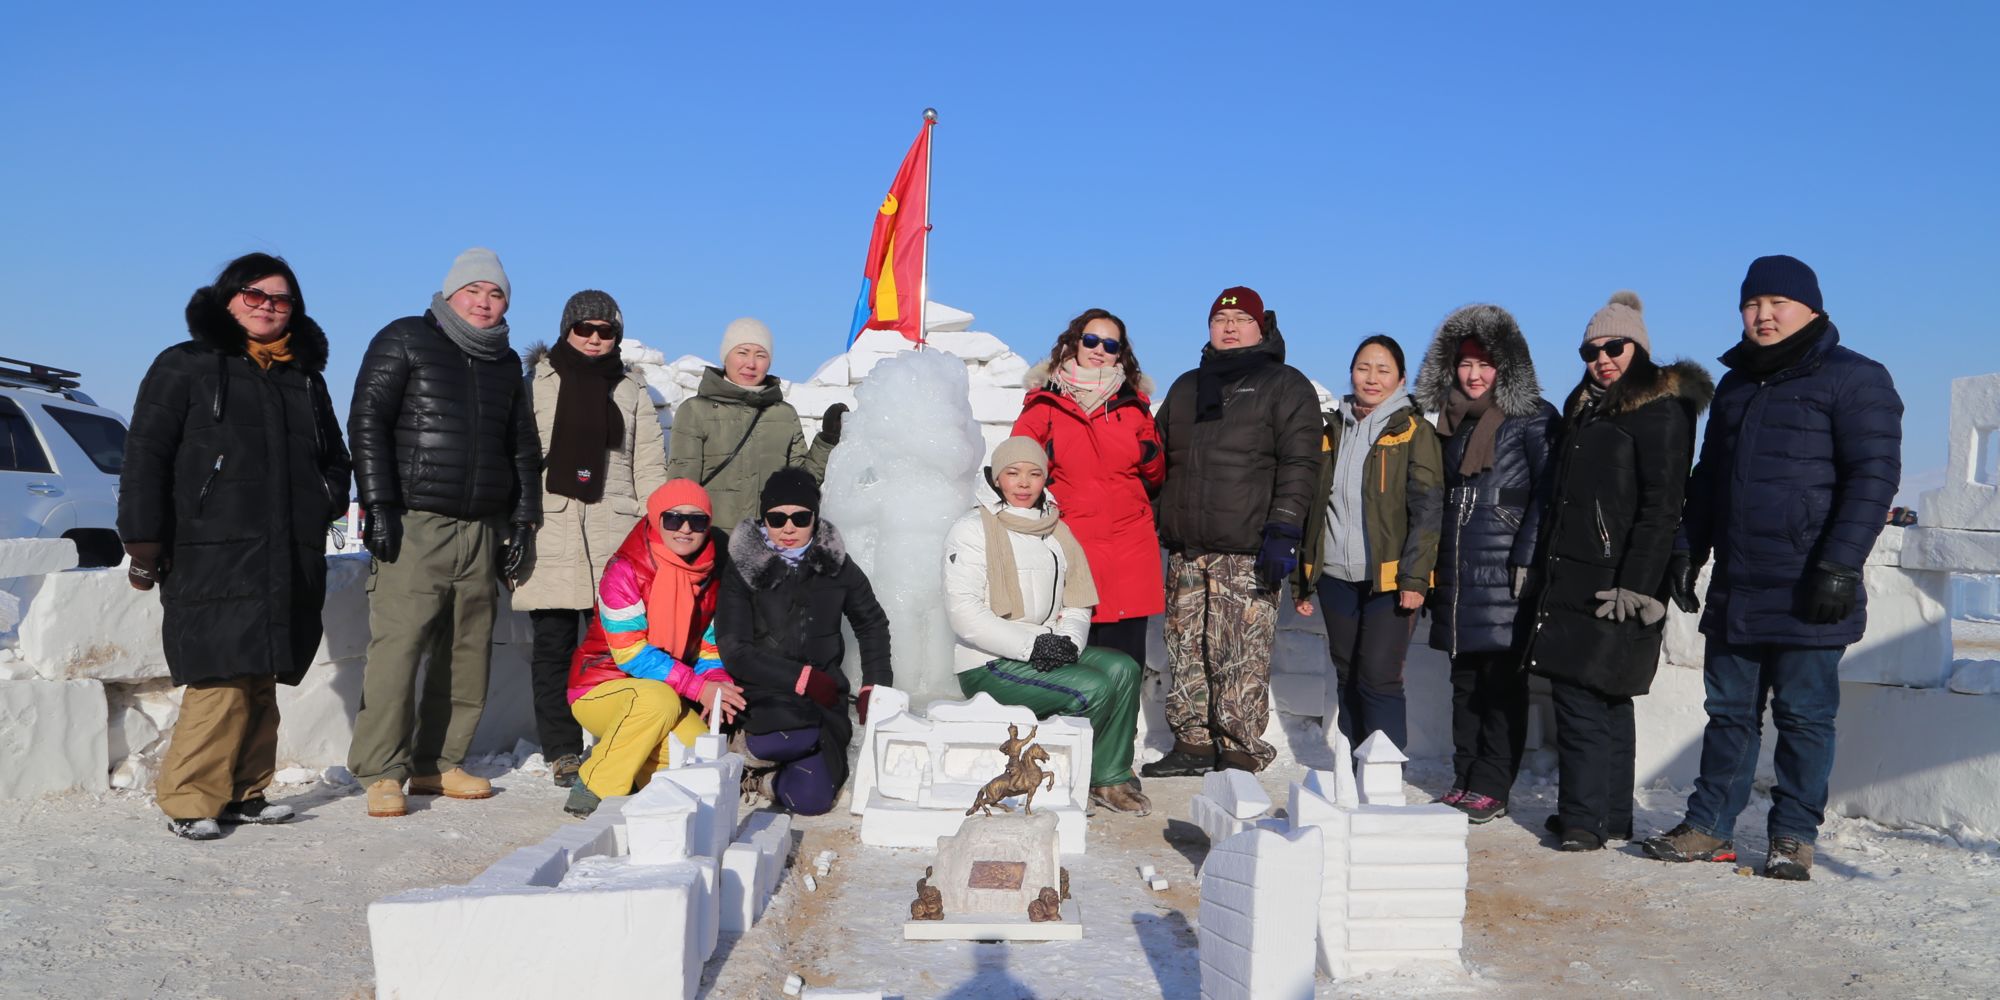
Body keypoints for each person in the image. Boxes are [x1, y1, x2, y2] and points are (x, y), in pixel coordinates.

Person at [1642, 256, 1902, 881]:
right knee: (1728, 713)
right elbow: (1710, 479)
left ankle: (1792, 836)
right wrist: (1687, 549)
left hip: (1812, 584)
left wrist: (1839, 566)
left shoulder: (1855, 378)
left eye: (1777, 303)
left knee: (1804, 717)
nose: (1762, 315)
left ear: (1811, 308)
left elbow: (1873, 478)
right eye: (1752, 304)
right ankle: (1709, 828)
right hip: (1739, 583)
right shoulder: (1736, 385)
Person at [118, 252, 350, 840]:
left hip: (286, 543)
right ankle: (190, 798)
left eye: (280, 299)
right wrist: (144, 541)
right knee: (219, 673)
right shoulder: (185, 365)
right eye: (255, 295)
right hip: (210, 543)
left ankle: (246, 791)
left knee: (261, 674)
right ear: (228, 298)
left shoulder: (303, 376)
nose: (268, 307)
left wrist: (325, 497)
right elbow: (146, 454)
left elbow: (334, 456)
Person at [345, 248, 542, 819]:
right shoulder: (405, 338)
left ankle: (438, 762)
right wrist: (378, 504)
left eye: (496, 293)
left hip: (481, 528)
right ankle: (382, 770)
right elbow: (368, 422)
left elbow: (521, 448)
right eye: (474, 290)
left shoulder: (504, 363)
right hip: (415, 522)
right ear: (450, 293)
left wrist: (523, 520)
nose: (484, 302)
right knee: (399, 649)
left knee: (466, 652)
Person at [1522, 293, 1712, 851]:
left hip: (1615, 577)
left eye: (1614, 346)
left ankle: (1582, 820)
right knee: (1605, 696)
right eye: (1591, 350)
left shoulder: (1659, 409)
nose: (1602, 357)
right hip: (1574, 568)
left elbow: (1662, 504)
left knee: (1582, 691)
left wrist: (1637, 581)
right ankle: (1611, 814)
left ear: (1639, 348)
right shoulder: (1588, 406)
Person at [1145, 287, 1322, 776]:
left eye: (1242, 318)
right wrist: (1160, 513)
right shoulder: (1186, 387)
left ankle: (1240, 747)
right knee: (1185, 647)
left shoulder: (1284, 385)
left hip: (1247, 546)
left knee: (1239, 653)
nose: (1229, 327)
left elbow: (1301, 461)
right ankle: (1194, 743)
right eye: (1220, 319)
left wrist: (1285, 528)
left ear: (1261, 328)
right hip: (1187, 546)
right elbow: (1160, 459)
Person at [511, 290, 670, 788]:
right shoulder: (536, 383)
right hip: (552, 528)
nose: (596, 339)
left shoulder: (630, 390)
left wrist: (655, 532)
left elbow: (649, 465)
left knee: (616, 647)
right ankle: (561, 749)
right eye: (585, 329)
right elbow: (516, 455)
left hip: (614, 532)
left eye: (606, 331)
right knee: (554, 646)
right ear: (566, 331)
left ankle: (619, 737)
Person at [943, 437, 1152, 814]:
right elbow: (964, 613)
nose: (1023, 483)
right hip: (990, 661)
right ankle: (1069, 779)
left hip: (1048, 645)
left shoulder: (1056, 530)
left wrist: (1070, 642)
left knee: (1123, 670)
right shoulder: (972, 529)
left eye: (1034, 474)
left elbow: (1077, 599)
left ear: (1044, 479)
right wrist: (1032, 647)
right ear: (996, 479)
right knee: (1094, 687)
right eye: (1013, 473)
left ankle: (1109, 778)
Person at [1413, 303, 1559, 824]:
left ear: (1509, 367)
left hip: (1505, 572)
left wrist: (1527, 557)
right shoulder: (1448, 422)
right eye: (1465, 364)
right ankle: (1465, 775)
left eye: (1486, 364)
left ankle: (1493, 784)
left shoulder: (1534, 417)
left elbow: (1548, 492)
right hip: (1458, 567)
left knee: (1501, 684)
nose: (1474, 376)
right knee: (1464, 681)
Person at [1292, 335, 1443, 753]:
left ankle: (1384, 778)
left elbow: (1428, 509)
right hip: (1335, 577)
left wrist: (1416, 577)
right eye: (1363, 368)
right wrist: (1302, 579)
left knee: (1378, 674)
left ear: (1400, 378)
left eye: (1383, 370)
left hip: (1390, 578)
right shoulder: (1332, 431)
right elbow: (1314, 508)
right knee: (1347, 672)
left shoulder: (1414, 431)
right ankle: (1356, 769)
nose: (1371, 378)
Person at [714, 467, 892, 815]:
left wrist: (874, 684)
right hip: (764, 695)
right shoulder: (742, 568)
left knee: (812, 801)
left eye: (800, 517)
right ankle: (746, 749)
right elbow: (734, 651)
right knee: (792, 734)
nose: (788, 528)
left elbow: (872, 622)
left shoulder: (837, 566)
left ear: (815, 516)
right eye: (776, 518)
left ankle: (759, 780)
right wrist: (801, 679)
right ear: (764, 518)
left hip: (824, 698)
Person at [562, 479, 742, 819]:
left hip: (666, 693)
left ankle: (619, 757)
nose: (685, 529)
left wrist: (716, 683)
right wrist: (696, 687)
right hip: (600, 687)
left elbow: (708, 647)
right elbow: (630, 653)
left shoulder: (712, 575)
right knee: (655, 701)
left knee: (698, 754)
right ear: (656, 518)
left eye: (698, 520)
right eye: (674, 519)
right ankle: (595, 783)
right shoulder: (624, 570)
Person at [1011, 308, 1166, 668]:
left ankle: (1120, 728)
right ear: (1075, 343)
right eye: (1091, 340)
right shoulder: (1045, 403)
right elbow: (1017, 464)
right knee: (1074, 664)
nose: (1099, 350)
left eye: (1110, 345)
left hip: (1128, 550)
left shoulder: (1134, 406)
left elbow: (1156, 473)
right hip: (1070, 547)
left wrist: (1145, 452)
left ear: (1120, 353)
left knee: (1125, 666)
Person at [666, 317, 845, 532]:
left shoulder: (784, 415)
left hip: (768, 544)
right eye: (742, 352)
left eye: (761, 355)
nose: (751, 363)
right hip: (712, 544)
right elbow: (682, 489)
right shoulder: (695, 411)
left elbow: (801, 484)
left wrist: (826, 441)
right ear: (725, 357)